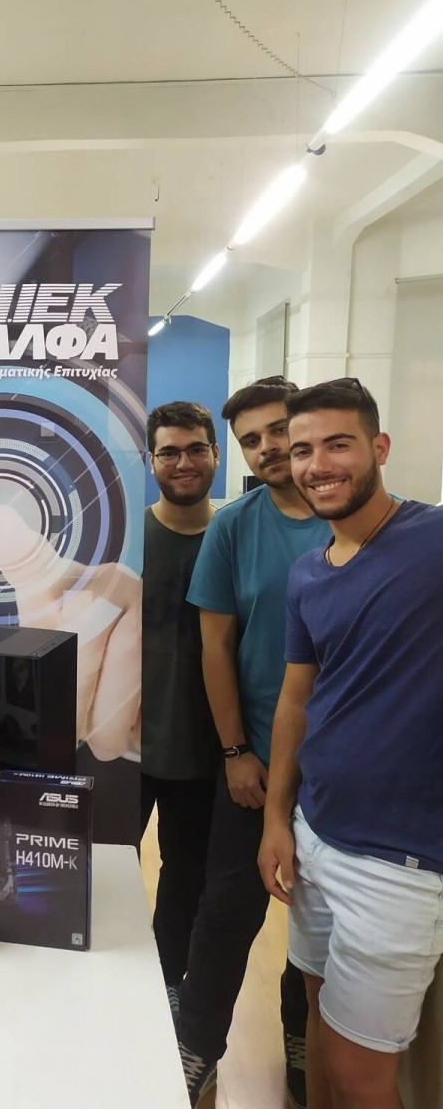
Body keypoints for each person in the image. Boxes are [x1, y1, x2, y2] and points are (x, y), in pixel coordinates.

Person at [259, 378, 443, 1109]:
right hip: (315, 834)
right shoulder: (308, 573)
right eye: (303, 450)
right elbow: (295, 700)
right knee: (317, 1032)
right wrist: (277, 819)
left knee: (363, 1078)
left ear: (379, 448)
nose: (318, 465)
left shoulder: (433, 540)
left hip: (400, 862)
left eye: (338, 445)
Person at [177, 376, 330, 1108]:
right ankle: (197, 1051)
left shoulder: (358, 518)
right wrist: (236, 751)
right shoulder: (235, 526)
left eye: (278, 430)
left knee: (317, 921)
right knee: (226, 911)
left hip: (340, 770)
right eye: (251, 440)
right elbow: (215, 646)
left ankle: (300, 1042)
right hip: (256, 760)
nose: (268, 447)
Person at [140, 402, 221, 1018]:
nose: (183, 462)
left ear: (216, 454)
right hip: (125, 745)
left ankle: (167, 981)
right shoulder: (127, 537)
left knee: (186, 874)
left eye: (196, 448)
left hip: (204, 744)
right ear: (151, 461)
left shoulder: (233, 534)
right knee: (107, 862)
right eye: (169, 451)